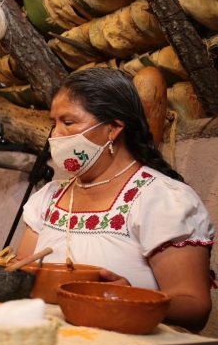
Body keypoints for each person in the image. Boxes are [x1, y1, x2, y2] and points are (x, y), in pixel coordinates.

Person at [17, 68, 214, 331]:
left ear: (113, 128)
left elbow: (195, 308)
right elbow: (22, 273)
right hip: (49, 344)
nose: (55, 135)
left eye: (69, 122)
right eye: (55, 122)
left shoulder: (161, 199)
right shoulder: (48, 199)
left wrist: (134, 298)